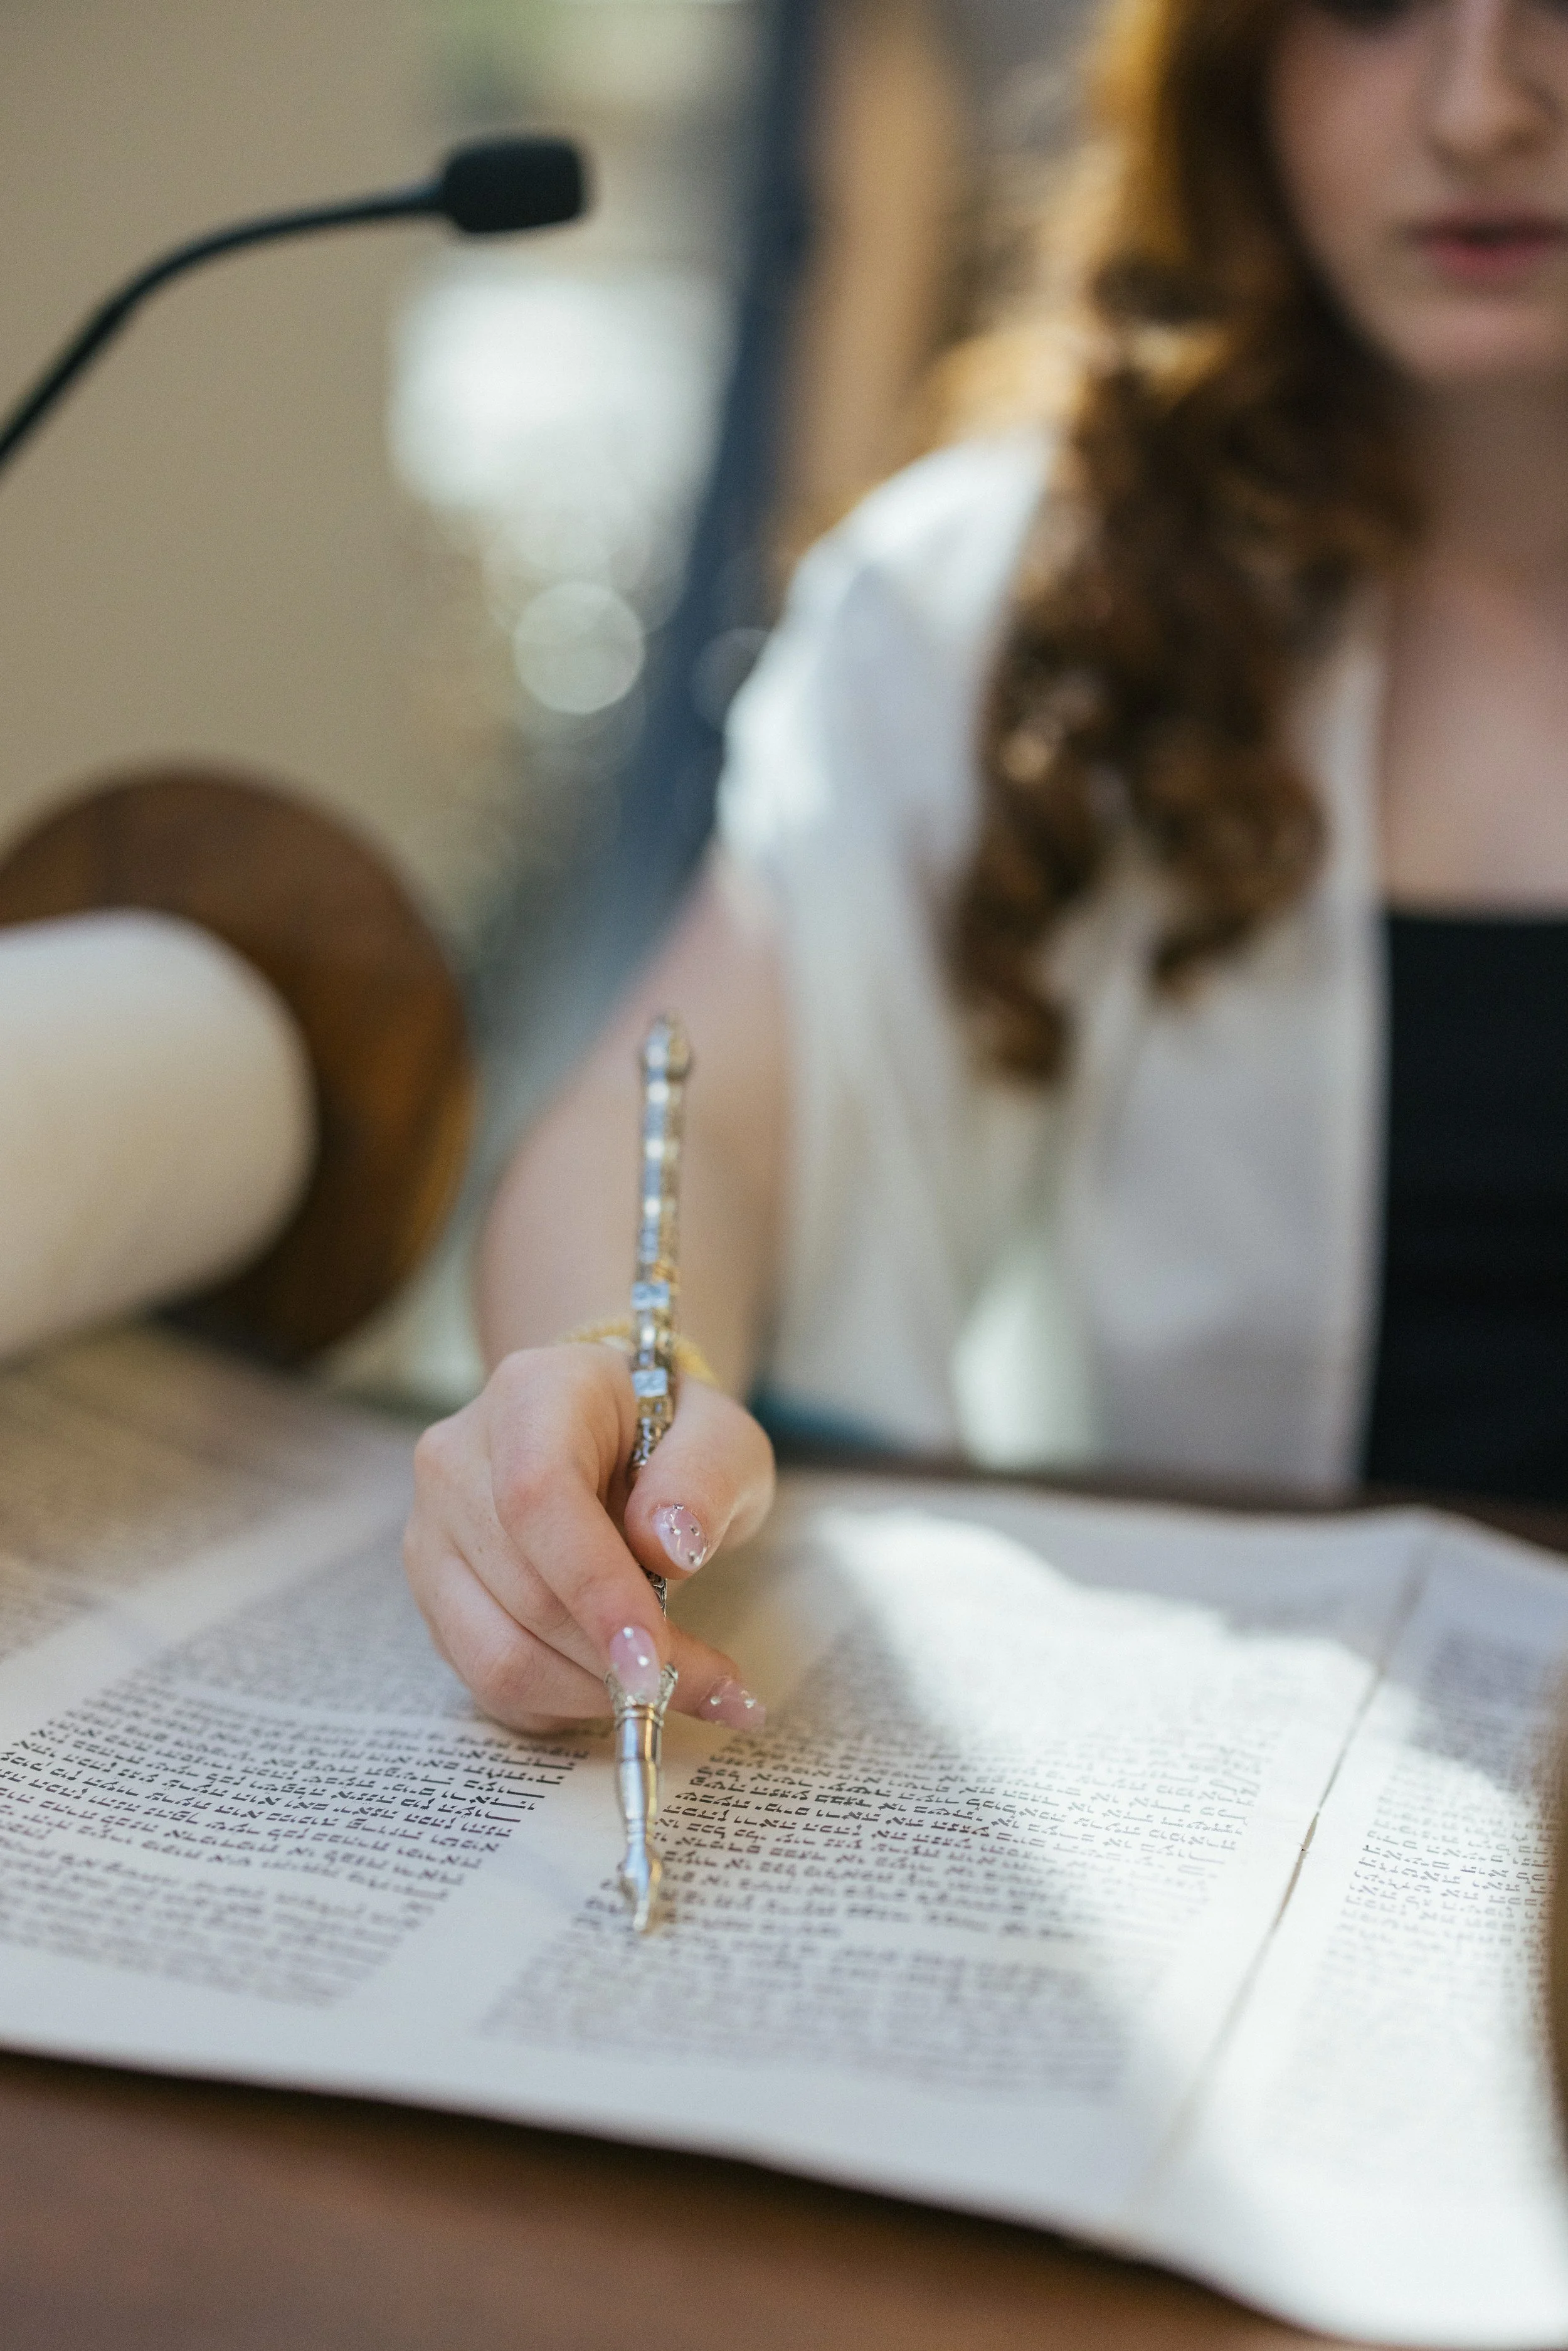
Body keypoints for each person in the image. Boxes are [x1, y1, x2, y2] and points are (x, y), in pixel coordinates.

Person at [405, 0, 1568, 1734]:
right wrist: (590, 1390)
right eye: (1369, 4)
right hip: (1253, 1804)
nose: (1482, 106)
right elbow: (688, 1119)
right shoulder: (1005, 606)